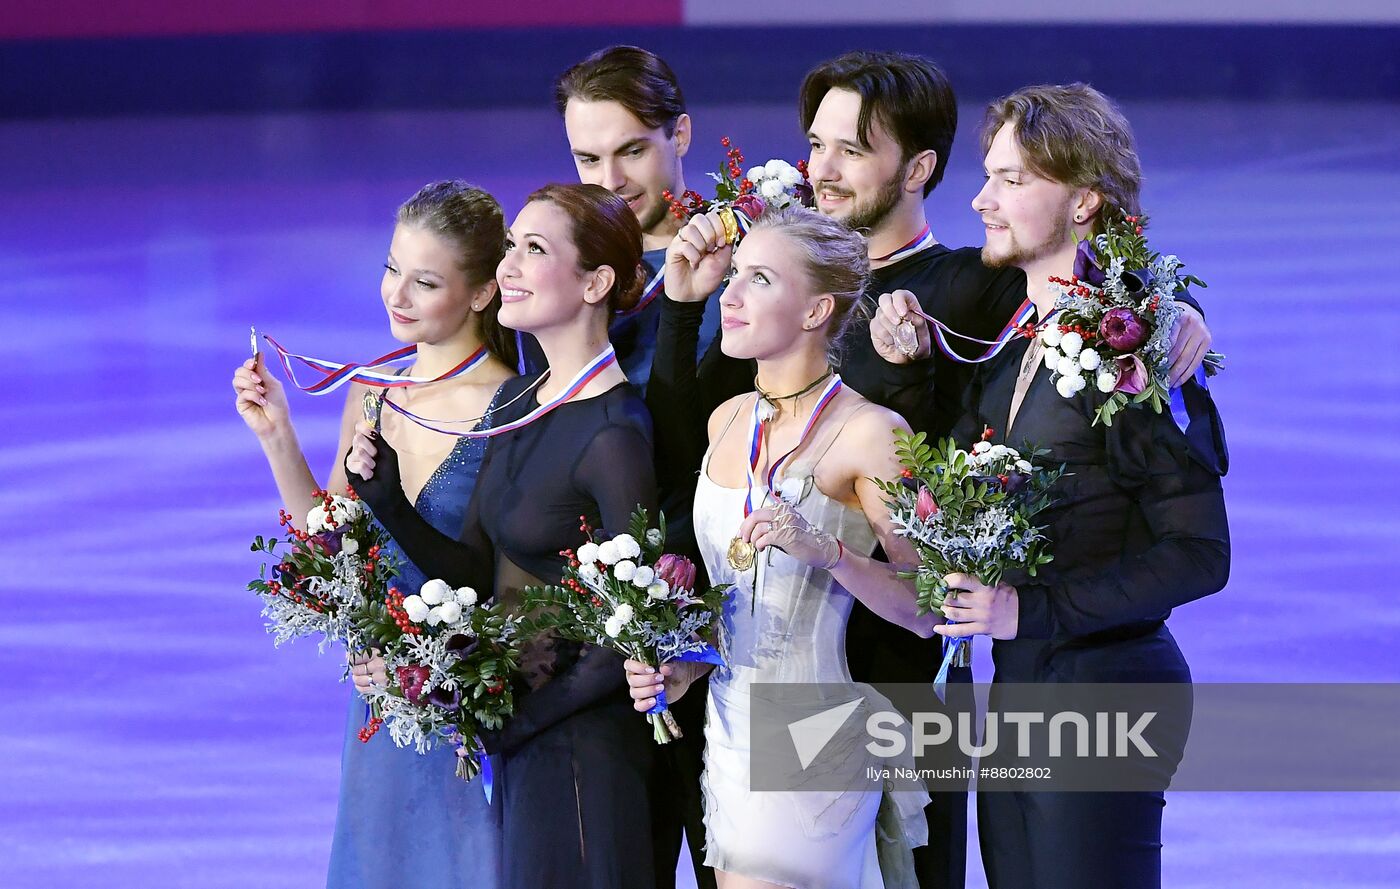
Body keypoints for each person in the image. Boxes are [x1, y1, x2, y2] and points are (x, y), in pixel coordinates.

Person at [651, 52, 1217, 888]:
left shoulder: (1002, 301)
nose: (823, 167)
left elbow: (1195, 542)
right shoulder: (994, 346)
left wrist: (1170, 309)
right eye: (817, 144)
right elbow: (952, 455)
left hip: (1004, 677)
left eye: (1008, 179)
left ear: (915, 167)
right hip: (985, 676)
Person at [927, 83, 1230, 889]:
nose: (983, 199)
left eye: (1013, 180)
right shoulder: (1011, 344)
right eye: (988, 175)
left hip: (1108, 688)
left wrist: (1031, 608)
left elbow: (1200, 554)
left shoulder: (1137, 357)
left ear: (1085, 201)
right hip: (1025, 682)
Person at [345, 183, 659, 889]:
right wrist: (388, 501)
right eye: (512, 244)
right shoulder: (518, 399)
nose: (510, 264)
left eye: (535, 249)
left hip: (584, 750)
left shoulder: (615, 435)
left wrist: (508, 726)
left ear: (595, 282)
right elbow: (474, 573)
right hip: (527, 739)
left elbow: (628, 638)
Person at [628, 206, 939, 889]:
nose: (730, 296)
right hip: (728, 731)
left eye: (759, 280)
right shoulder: (727, 419)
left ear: (815, 309)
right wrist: (685, 667)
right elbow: (740, 595)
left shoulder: (871, 432)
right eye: (735, 276)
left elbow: (930, 608)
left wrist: (831, 552)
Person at [231, 180, 516, 889]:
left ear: (482, 293)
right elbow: (332, 545)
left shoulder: (515, 405)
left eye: (426, 280)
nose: (398, 294)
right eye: (393, 269)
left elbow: (516, 583)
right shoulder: (373, 392)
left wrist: (434, 669)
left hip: (471, 714)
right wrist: (277, 437)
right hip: (379, 710)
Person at [554, 44, 724, 888]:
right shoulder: (566, 267)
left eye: (632, 149)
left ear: (680, 132)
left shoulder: (746, 259)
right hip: (615, 631)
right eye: (588, 157)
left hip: (731, 610)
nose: (611, 176)